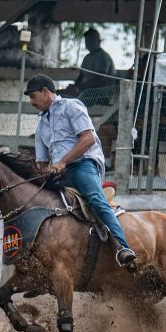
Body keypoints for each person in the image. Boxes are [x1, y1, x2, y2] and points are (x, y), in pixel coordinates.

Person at [24, 74, 136, 268]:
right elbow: (42, 161)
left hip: (83, 165)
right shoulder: (41, 123)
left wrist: (63, 161)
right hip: (60, 174)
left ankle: (123, 247)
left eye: (33, 96)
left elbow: (88, 139)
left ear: (45, 91)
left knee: (96, 201)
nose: (31, 102)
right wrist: (42, 171)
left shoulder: (71, 106)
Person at [59, 29, 117, 105]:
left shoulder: (103, 56)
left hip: (99, 95)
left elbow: (99, 80)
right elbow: (81, 77)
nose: (88, 43)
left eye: (91, 40)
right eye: (87, 40)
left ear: (98, 41)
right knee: (58, 94)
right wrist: (74, 87)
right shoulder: (87, 57)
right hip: (84, 92)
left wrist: (78, 87)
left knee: (68, 102)